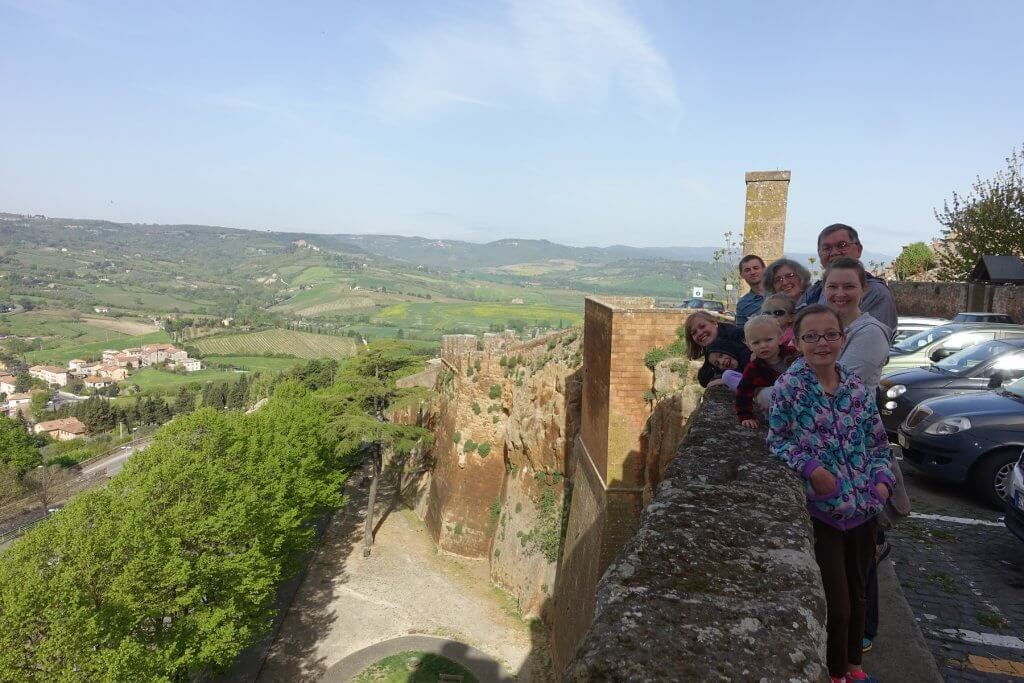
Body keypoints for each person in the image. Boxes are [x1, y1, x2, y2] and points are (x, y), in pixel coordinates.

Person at [768, 304, 893, 683]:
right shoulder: (790, 387)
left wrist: (882, 479)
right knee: (836, 605)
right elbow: (778, 439)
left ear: (842, 338)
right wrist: (812, 469)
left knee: (858, 597)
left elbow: (876, 441)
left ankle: (854, 665)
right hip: (823, 511)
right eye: (812, 336)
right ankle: (835, 671)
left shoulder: (854, 386)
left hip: (864, 507)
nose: (822, 343)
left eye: (830, 334)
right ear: (799, 342)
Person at [799, 224, 897, 335]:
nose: (834, 252)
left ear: (858, 249)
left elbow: (865, 338)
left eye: (842, 245)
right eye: (826, 248)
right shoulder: (813, 292)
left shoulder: (875, 292)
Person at [824, 258, 891, 394]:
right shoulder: (824, 330)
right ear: (824, 289)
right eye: (832, 286)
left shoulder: (871, 333)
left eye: (849, 286)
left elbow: (837, 387)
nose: (840, 293)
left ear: (863, 290)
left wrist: (770, 395)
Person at [735, 316, 797, 428]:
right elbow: (743, 392)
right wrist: (746, 415)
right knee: (765, 394)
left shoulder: (793, 356)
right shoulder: (753, 369)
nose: (763, 345)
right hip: (774, 408)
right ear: (749, 346)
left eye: (768, 340)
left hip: (800, 401)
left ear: (780, 338)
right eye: (756, 343)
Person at [684, 311, 747, 387]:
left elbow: (748, 364)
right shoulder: (712, 345)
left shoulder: (735, 336)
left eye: (702, 326)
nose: (699, 333)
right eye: (694, 333)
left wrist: (723, 379)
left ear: (714, 323)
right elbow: (704, 379)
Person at [734, 254, 766, 329]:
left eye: (756, 268)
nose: (752, 272)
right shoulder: (742, 304)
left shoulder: (779, 292)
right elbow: (741, 333)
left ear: (764, 270)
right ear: (742, 275)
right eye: (747, 270)